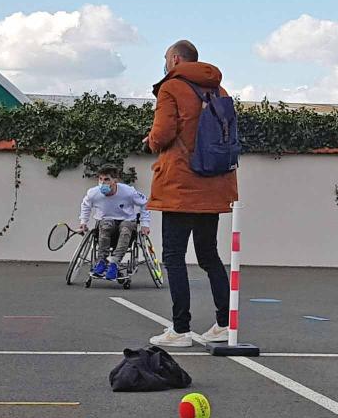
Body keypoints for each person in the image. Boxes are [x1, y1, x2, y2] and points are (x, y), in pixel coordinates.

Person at [144, 39, 234, 347]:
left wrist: (151, 142)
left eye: (166, 59)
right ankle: (224, 323)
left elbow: (163, 132)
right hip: (214, 184)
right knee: (209, 255)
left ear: (175, 59)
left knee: (174, 256)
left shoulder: (171, 88)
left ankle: (180, 329)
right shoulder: (219, 91)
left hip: (181, 184)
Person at [79, 166, 150, 280]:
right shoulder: (93, 193)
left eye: (106, 179)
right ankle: (101, 261)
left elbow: (145, 203)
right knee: (106, 224)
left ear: (115, 180)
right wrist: (83, 222)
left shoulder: (128, 191)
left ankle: (114, 263)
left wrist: (145, 224)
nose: (102, 183)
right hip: (106, 221)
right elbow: (85, 206)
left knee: (126, 228)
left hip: (126, 220)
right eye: (100, 179)